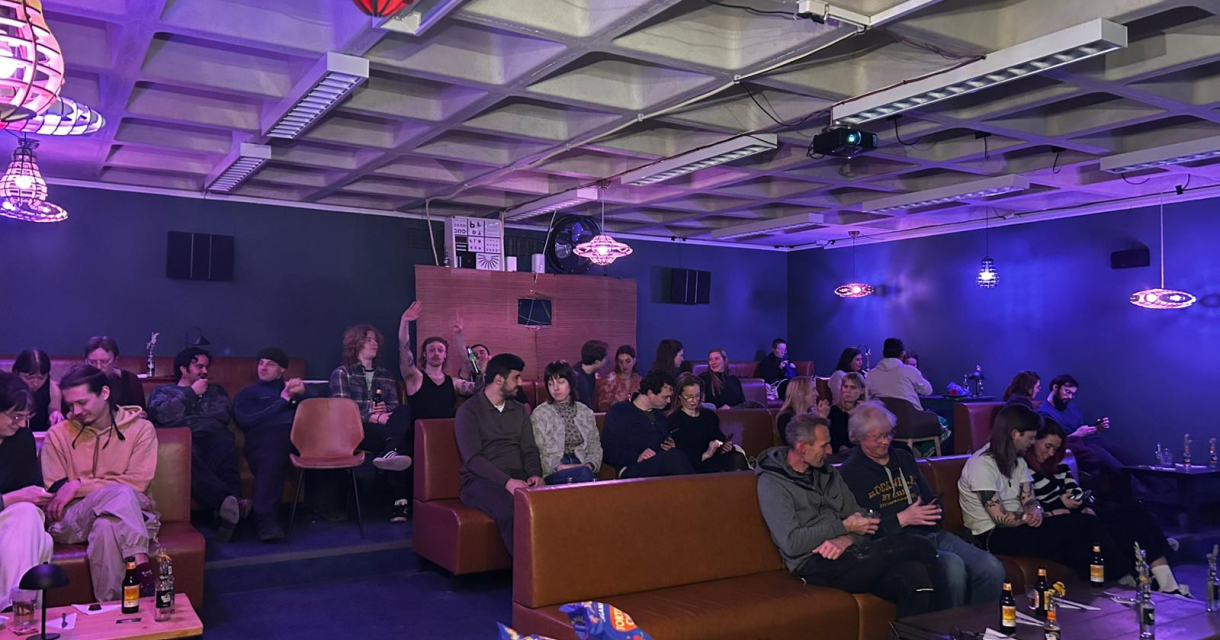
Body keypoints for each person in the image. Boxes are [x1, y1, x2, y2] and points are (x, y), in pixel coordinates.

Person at [756, 413, 938, 617]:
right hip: (813, 562)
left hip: (850, 552)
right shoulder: (772, 484)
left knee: (917, 580)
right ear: (802, 447)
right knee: (920, 545)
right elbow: (791, 543)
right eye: (824, 446)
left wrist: (847, 538)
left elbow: (862, 519)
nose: (830, 451)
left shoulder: (828, 472)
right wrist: (843, 527)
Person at [839, 402, 1005, 609]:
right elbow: (863, 530)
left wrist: (934, 510)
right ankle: (949, 631)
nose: (885, 441)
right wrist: (903, 518)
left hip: (933, 533)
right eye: (877, 437)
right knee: (952, 567)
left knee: (991, 567)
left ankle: (979, 628)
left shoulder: (904, 458)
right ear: (859, 437)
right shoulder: (849, 473)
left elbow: (930, 498)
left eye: (888, 434)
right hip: (897, 543)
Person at [1026, 420, 1185, 594]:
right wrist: (1061, 503)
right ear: (1034, 441)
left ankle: (1168, 584)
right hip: (1062, 521)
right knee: (1120, 527)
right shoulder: (1024, 470)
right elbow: (1033, 505)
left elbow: (1075, 491)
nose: (1050, 453)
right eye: (1047, 446)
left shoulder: (1059, 467)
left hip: (1081, 512)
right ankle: (1158, 553)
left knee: (1135, 511)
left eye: (1055, 449)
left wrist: (1081, 503)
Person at [43, 365, 159, 602]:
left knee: (106, 526)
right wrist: (83, 488)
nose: (75, 411)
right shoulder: (57, 435)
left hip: (129, 518)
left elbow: (137, 482)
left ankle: (114, 614)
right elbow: (55, 491)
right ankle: (143, 569)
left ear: (104, 393)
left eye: (82, 403)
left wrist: (77, 485)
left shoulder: (141, 430)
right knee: (121, 493)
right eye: (70, 405)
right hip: (72, 519)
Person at [958, 404, 1108, 583]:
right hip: (992, 535)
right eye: (1030, 437)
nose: (1031, 443)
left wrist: (1035, 509)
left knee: (1081, 537)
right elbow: (999, 518)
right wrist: (1030, 517)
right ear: (1015, 434)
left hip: (1019, 527)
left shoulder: (1018, 462)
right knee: (1084, 526)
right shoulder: (981, 465)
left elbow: (1029, 498)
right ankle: (1119, 579)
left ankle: (1101, 588)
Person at [147, 347, 247, 541]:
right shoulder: (164, 391)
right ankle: (231, 504)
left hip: (214, 435)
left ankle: (227, 518)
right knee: (185, 455)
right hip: (183, 438)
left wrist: (187, 406)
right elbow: (162, 415)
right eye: (198, 366)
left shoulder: (215, 391)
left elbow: (221, 415)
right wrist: (191, 394)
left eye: (206, 367)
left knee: (225, 446)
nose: (204, 371)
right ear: (184, 369)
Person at [454, 354, 542, 553]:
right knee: (513, 512)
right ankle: (528, 579)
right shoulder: (468, 411)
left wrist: (535, 474)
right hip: (479, 480)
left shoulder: (519, 410)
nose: (520, 383)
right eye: (516, 378)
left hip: (517, 476)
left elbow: (529, 449)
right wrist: (507, 482)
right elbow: (473, 459)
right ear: (499, 380)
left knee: (550, 506)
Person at [330, 322, 415, 522]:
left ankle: (390, 450)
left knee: (404, 411)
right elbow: (343, 411)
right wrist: (372, 416)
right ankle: (399, 503)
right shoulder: (343, 373)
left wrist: (386, 412)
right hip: (356, 432)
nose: (374, 343)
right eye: (368, 340)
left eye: (375, 340)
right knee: (397, 441)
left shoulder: (385, 375)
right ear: (356, 344)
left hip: (385, 428)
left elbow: (394, 407)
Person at [232, 348, 306, 542]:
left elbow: (317, 410)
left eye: (270, 364)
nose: (263, 368)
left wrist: (303, 395)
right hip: (264, 442)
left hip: (299, 440)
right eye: (261, 363)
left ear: (282, 369)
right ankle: (265, 521)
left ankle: (328, 509)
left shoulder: (296, 392)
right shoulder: (248, 393)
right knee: (275, 444)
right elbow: (245, 420)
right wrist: (282, 401)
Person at [0, 372, 54, 611]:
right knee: (40, 541)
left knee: (28, 517)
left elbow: (28, 488)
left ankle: (12, 614)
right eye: (15, 416)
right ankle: (20, 612)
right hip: (10, 517)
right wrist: (12, 498)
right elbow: (18, 496)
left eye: (26, 416)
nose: (22, 424)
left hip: (13, 522)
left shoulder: (22, 438)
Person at [1036, 374, 1124, 500]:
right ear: (1055, 388)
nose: (1070, 397)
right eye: (1067, 392)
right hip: (1078, 445)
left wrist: (1097, 429)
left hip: (1092, 440)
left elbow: (1082, 429)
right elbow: (1052, 442)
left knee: (1127, 455)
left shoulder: (1071, 407)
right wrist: (1077, 434)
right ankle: (1139, 496)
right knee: (1116, 468)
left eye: (1073, 394)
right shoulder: (1044, 413)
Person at [602, 370, 694, 479]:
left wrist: (670, 445)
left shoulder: (660, 417)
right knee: (675, 458)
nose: (669, 401)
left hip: (659, 464)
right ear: (650, 394)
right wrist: (637, 456)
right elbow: (607, 450)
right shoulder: (620, 412)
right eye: (665, 397)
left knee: (679, 455)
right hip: (631, 467)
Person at [401, 304, 477, 420]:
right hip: (421, 434)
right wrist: (404, 322)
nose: (436, 353)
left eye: (440, 350)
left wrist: (459, 335)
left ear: (445, 355)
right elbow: (404, 349)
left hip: (448, 432)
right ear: (425, 354)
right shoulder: (415, 378)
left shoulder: (454, 382)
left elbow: (468, 368)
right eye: (431, 350)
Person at [530, 361, 600, 485]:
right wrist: (559, 467)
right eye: (550, 384)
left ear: (571, 383)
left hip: (583, 465)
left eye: (561, 382)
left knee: (586, 475)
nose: (555, 388)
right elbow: (539, 451)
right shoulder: (540, 414)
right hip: (555, 471)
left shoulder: (585, 412)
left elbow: (595, 446)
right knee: (584, 476)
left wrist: (590, 465)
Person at [668, 373, 749, 473]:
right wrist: (705, 454)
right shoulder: (674, 420)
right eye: (689, 397)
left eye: (697, 396)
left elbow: (718, 437)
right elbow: (680, 452)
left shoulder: (709, 416)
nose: (694, 400)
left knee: (737, 457)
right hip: (693, 463)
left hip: (714, 458)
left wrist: (725, 446)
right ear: (679, 396)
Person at [866, 338, 932, 410]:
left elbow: (867, 398)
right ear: (903, 354)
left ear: (883, 353)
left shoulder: (871, 374)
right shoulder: (910, 371)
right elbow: (928, 390)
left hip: (882, 418)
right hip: (911, 418)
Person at [84, 336, 146, 409]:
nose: (98, 367)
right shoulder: (76, 382)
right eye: (92, 362)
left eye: (104, 362)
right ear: (86, 361)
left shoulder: (130, 380)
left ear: (115, 360)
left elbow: (140, 411)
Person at [11, 348, 63, 431]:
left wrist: (55, 415)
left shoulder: (53, 388)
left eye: (41, 378)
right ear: (17, 372)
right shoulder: (6, 387)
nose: (35, 383)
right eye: (29, 378)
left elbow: (54, 412)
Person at [774, 377, 829, 449]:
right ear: (801, 394)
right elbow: (805, 445)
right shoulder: (785, 418)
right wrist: (822, 418)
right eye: (813, 390)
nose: (817, 394)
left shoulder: (810, 413)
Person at [828, 372, 865, 456]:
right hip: (842, 455)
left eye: (853, 387)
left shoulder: (865, 411)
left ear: (862, 390)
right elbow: (836, 443)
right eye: (845, 387)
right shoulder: (833, 411)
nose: (848, 391)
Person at [596, 345, 641, 412]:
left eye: (628, 361)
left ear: (634, 361)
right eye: (621, 362)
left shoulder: (639, 381)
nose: (624, 365)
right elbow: (602, 406)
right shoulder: (610, 381)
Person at [572, 340, 607, 409]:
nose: (606, 360)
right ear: (597, 362)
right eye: (604, 358)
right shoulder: (580, 382)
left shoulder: (581, 367)